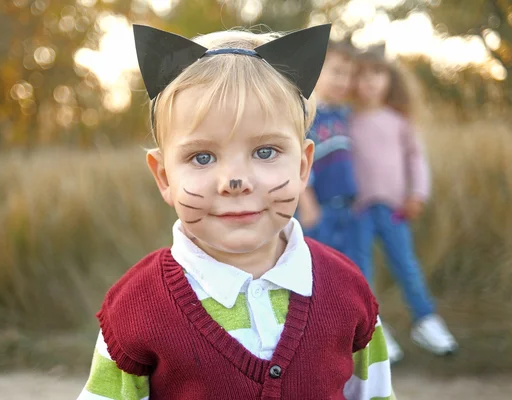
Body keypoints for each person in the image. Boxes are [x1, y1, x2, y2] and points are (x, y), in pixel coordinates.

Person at [77, 24, 395, 399]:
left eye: (265, 152)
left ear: (302, 167)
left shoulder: (348, 291)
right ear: (164, 176)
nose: (235, 180)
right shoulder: (136, 309)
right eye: (202, 157)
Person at [349, 44, 458, 364]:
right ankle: (373, 330)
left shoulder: (399, 120)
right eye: (362, 76)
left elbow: (416, 160)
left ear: (389, 80)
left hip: (395, 208)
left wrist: (417, 194)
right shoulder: (347, 120)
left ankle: (426, 320)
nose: (370, 83)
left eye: (377, 75)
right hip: (358, 211)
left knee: (406, 267)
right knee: (361, 271)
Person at [297, 39, 358, 263]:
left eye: (349, 75)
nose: (344, 81)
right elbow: (298, 159)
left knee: (344, 267)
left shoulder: (342, 114)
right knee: (316, 267)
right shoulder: (306, 113)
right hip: (318, 208)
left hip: (345, 208)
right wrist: (307, 202)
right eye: (337, 72)